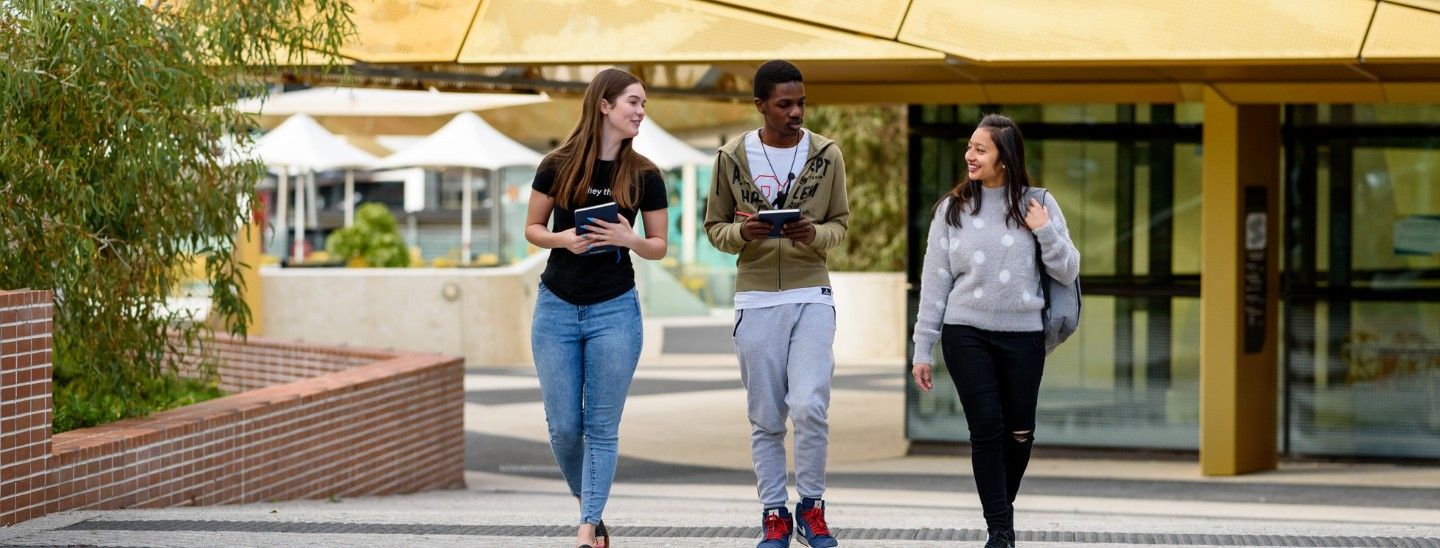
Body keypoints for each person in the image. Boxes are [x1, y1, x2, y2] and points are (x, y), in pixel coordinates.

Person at [909, 113, 1080, 548]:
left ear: (1004, 158)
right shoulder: (952, 209)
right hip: (966, 331)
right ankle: (1000, 530)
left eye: (980, 149)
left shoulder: (1038, 204)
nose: (969, 155)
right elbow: (935, 281)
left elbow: (1068, 268)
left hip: (1023, 335)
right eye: (969, 147)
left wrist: (1043, 231)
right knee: (986, 426)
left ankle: (1001, 512)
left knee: (1019, 430)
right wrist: (922, 347)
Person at [704, 59, 849, 548]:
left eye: (801, 102)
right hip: (757, 296)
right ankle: (774, 513)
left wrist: (816, 233)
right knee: (766, 415)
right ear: (761, 105)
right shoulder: (730, 157)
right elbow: (715, 229)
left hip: (812, 292)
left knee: (809, 405)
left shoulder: (827, 155)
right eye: (785, 104)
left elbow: (841, 226)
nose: (796, 112)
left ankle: (812, 506)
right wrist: (743, 231)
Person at [524, 67, 669, 548]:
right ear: (604, 105)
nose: (640, 112)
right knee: (565, 429)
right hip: (557, 307)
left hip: (614, 310)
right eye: (633, 102)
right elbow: (532, 229)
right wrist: (562, 239)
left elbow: (659, 245)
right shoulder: (556, 165)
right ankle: (594, 514)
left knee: (601, 426)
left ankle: (587, 529)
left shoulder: (645, 175)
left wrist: (630, 237)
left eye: (643, 104)